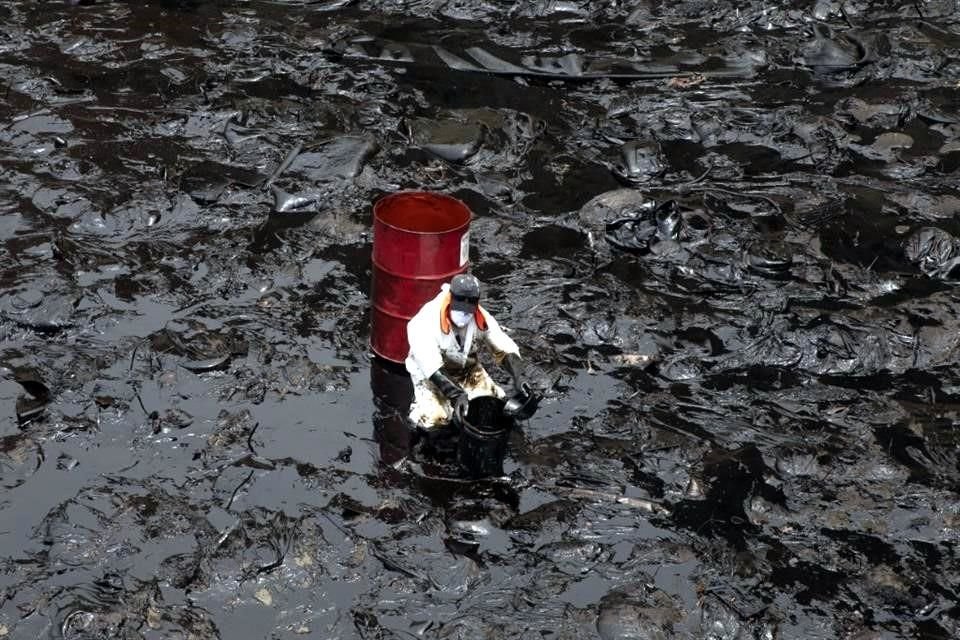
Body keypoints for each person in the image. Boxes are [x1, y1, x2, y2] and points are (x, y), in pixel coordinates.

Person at [405, 274, 526, 430]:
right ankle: (419, 410)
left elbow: (501, 344)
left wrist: (518, 375)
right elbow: (431, 367)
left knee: (493, 404)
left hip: (467, 369)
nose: (465, 316)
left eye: (469, 311)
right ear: (451, 300)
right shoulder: (425, 322)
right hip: (432, 377)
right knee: (435, 418)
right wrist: (457, 395)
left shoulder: (479, 316)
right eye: (460, 310)